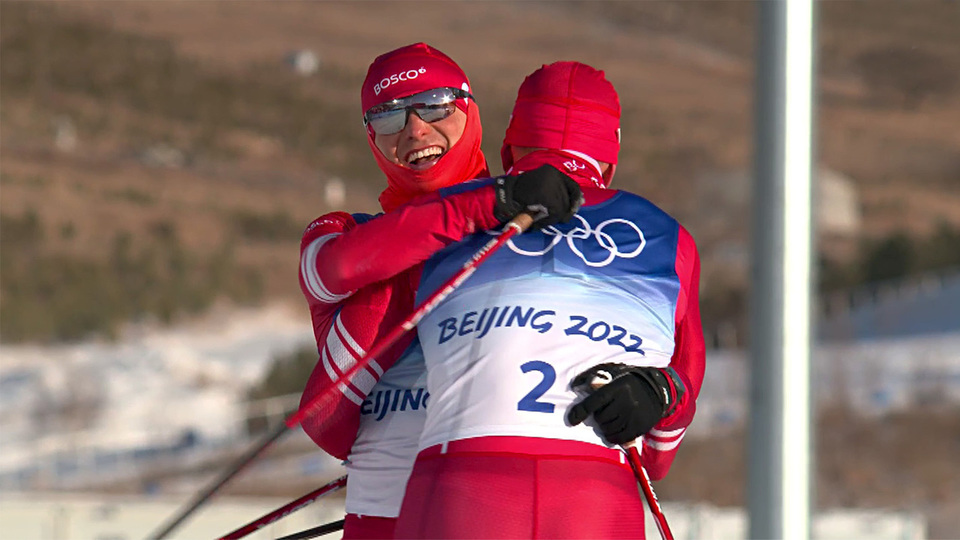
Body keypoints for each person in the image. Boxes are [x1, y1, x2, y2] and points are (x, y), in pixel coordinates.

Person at [394, 61, 706, 539]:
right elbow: (660, 451)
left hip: (457, 488)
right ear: (609, 156)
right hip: (594, 495)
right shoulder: (668, 239)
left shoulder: (451, 212)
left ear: (509, 146)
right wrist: (658, 392)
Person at [296, 44, 580, 539]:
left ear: (469, 111)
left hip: (507, 508)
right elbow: (335, 269)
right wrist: (481, 208)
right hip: (385, 512)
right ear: (371, 138)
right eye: (389, 118)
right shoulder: (341, 233)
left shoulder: (531, 230)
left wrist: (656, 394)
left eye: (434, 106)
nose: (415, 130)